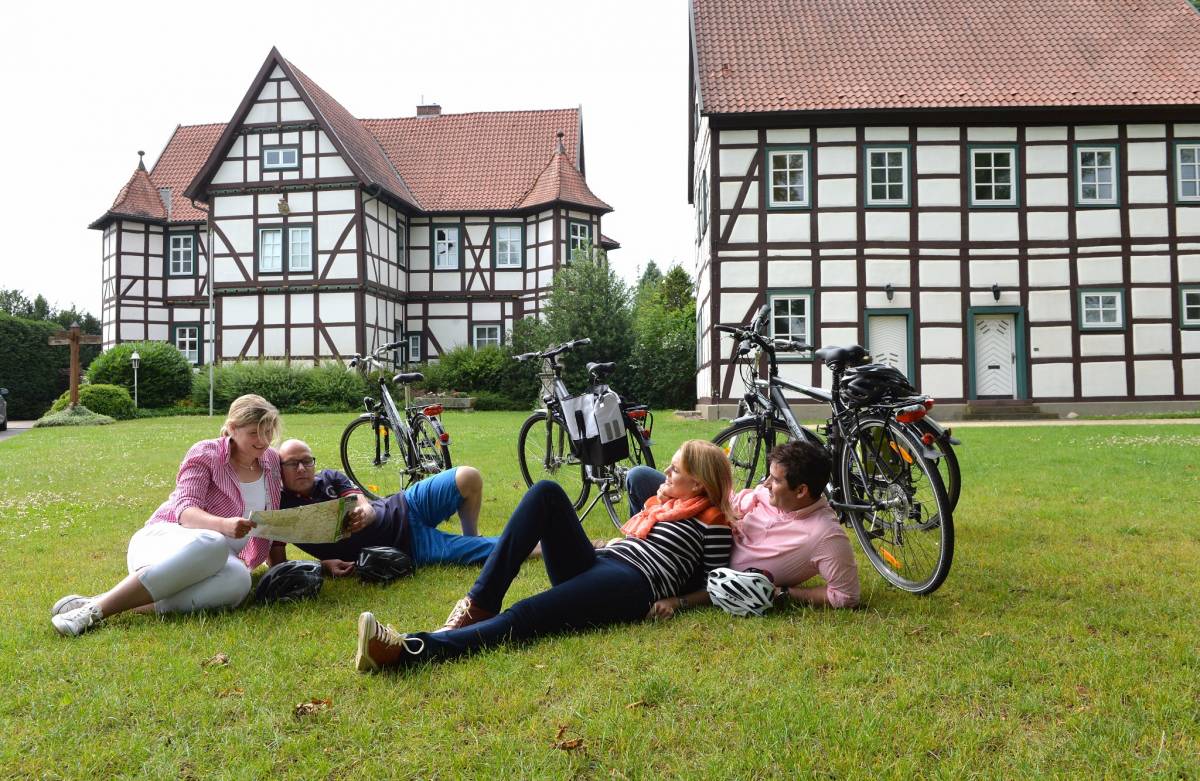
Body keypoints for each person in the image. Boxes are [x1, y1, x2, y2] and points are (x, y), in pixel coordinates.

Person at [353, 439, 735, 671]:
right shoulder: (663, 503)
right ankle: (480, 602)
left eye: (676, 469)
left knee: (527, 614)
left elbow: (715, 586)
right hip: (604, 562)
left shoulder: (713, 523)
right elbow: (641, 475)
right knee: (547, 492)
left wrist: (677, 601)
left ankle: (410, 650)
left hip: (632, 583)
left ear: (698, 483)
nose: (665, 471)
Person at [50, 394, 284, 636]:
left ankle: (118, 602)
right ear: (233, 428)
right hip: (166, 541)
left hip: (218, 560)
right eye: (254, 433)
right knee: (214, 542)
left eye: (268, 432)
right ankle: (94, 612)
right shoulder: (206, 452)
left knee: (240, 581)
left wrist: (279, 566)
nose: (263, 440)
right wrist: (224, 525)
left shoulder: (271, 462)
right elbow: (185, 511)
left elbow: (273, 517)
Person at [624, 439, 859, 613]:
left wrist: (784, 593)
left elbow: (846, 596)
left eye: (775, 480)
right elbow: (728, 503)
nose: (765, 484)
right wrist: (674, 499)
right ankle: (635, 543)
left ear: (801, 491)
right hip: (708, 525)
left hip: (705, 566)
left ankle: (642, 557)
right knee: (639, 476)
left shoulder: (825, 536)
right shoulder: (769, 495)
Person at [268, 439, 499, 573]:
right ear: (279, 470)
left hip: (407, 503)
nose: (302, 468)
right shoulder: (281, 509)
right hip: (408, 545)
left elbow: (361, 501)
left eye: (307, 461)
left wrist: (366, 512)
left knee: (468, 476)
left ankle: (472, 534)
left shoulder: (330, 477)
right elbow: (277, 564)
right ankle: (531, 541)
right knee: (496, 550)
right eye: (292, 463)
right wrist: (322, 565)